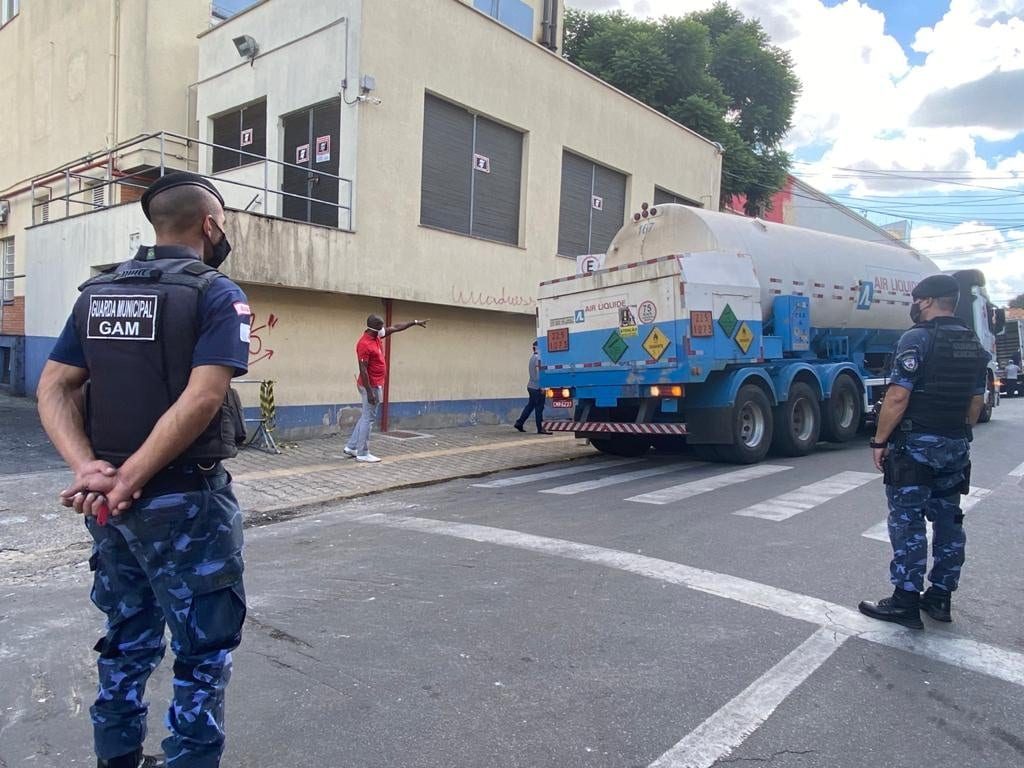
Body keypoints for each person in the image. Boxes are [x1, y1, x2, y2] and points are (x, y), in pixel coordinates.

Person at [37, 172, 251, 768]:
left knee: (127, 637)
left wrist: (90, 471)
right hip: (187, 501)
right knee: (203, 650)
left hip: (110, 509)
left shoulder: (97, 294)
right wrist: (128, 477)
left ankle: (117, 758)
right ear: (209, 225)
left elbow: (53, 387)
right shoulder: (216, 293)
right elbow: (204, 397)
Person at [859, 274, 989, 630]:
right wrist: (954, 434)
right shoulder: (972, 342)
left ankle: (904, 600)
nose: (914, 307)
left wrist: (880, 441)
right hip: (955, 445)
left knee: (908, 521)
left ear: (928, 301)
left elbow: (899, 396)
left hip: (917, 447)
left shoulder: (917, 338)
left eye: (916, 301)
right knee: (949, 521)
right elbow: (976, 402)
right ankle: (940, 597)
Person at [343, 314, 427, 463]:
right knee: (368, 419)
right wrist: (370, 392)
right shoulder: (364, 344)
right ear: (374, 327)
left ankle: (351, 447)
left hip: (373, 385)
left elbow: (394, 328)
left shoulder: (375, 335)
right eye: (381, 325)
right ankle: (362, 453)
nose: (383, 328)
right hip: (370, 386)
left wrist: (414, 322)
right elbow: (363, 369)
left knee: (365, 416)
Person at [514, 340, 551, 434]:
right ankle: (540, 428)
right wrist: (543, 387)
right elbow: (539, 374)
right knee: (539, 408)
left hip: (531, 386)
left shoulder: (532, 358)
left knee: (530, 406)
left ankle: (519, 422)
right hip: (537, 387)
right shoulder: (539, 358)